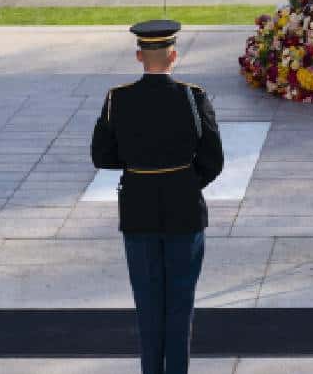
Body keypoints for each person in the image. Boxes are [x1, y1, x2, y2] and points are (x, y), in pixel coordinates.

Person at [91, 20, 224, 374]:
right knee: (180, 303)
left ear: (139, 56)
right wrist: (185, 181)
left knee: (148, 304)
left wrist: (137, 165)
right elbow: (213, 159)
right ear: (174, 55)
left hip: (139, 211)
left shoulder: (117, 99)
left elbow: (101, 156)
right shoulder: (192, 97)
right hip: (184, 211)